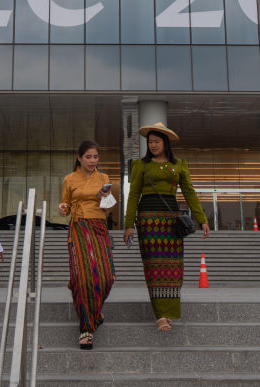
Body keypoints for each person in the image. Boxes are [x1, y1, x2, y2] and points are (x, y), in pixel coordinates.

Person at [122, 122, 209, 333]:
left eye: (156, 141)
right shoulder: (140, 166)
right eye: (150, 142)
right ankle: (160, 315)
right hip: (148, 222)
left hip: (171, 221)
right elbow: (133, 195)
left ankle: (168, 310)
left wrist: (202, 218)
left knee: (173, 267)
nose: (152, 145)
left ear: (165, 143)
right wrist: (128, 225)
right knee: (154, 267)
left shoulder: (179, 164)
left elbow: (189, 192)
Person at [58, 140, 116, 350]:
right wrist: (63, 208)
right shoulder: (69, 179)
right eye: (88, 157)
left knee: (107, 275)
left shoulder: (104, 178)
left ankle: (95, 309)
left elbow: (108, 209)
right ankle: (86, 329)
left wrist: (106, 197)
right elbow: (65, 205)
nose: (92, 161)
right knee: (83, 276)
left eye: (95, 157)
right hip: (79, 226)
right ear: (79, 157)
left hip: (99, 226)